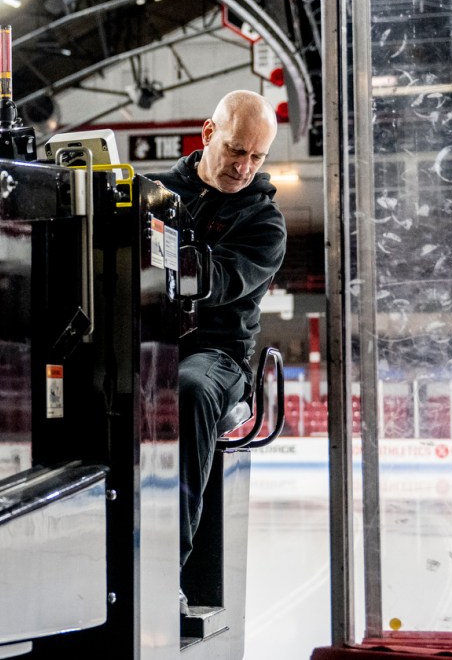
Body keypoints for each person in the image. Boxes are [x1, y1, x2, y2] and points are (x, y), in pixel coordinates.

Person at [149, 90, 287, 606]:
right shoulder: (155, 193)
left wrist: (165, 256)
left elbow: (221, 280)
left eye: (257, 156)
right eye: (236, 150)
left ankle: (166, 572)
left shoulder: (263, 224)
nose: (244, 166)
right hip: (145, 340)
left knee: (187, 389)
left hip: (215, 355)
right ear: (209, 134)